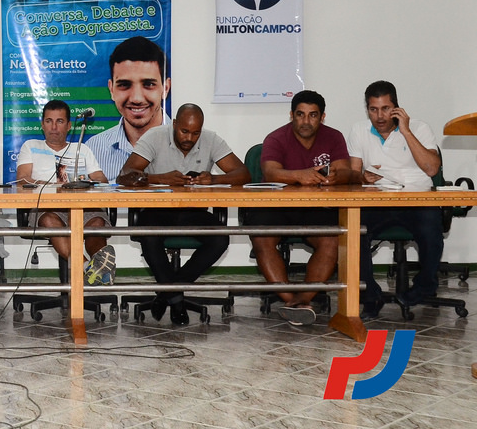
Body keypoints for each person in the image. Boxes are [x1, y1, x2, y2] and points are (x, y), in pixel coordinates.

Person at [118, 103, 251, 324]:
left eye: (195, 133)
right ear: (175, 124)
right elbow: (125, 174)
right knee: (149, 235)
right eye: (184, 131)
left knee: (220, 240)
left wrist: (214, 179)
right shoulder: (155, 136)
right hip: (156, 210)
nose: (190, 137)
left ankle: (167, 294)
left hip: (193, 211)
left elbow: (244, 174)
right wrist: (160, 178)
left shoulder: (211, 139)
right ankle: (177, 301)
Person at [246, 90, 356, 326]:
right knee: (261, 236)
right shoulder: (276, 137)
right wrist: (300, 176)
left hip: (317, 206)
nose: (306, 121)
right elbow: (271, 172)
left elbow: (345, 170)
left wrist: (337, 176)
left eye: (313, 115)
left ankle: (303, 301)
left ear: (322, 117)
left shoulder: (334, 137)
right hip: (277, 206)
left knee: (333, 239)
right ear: (291, 115)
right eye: (300, 115)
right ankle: (290, 300)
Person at [348, 80, 443, 319]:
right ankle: (371, 295)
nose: (379, 116)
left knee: (431, 228)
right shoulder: (359, 130)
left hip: (417, 201)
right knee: (354, 231)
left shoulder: (419, 128)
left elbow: (431, 169)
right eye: (373, 109)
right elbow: (351, 176)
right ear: (367, 109)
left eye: (385, 109)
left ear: (397, 108)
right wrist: (362, 178)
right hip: (377, 201)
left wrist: (406, 130)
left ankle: (424, 286)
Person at [16, 100, 115, 285]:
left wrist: (85, 182)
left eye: (59, 121)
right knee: (49, 220)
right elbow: (23, 179)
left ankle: (99, 266)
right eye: (48, 121)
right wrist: (55, 186)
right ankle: (89, 268)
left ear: (69, 125)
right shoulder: (30, 146)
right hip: (46, 207)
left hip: (83, 206)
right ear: (42, 124)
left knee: (97, 223)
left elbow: (102, 180)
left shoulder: (81, 149)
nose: (53, 127)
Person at [86, 36, 170, 181]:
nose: (136, 98)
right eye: (124, 84)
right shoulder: (93, 149)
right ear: (111, 89)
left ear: (165, 88)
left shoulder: (193, 145)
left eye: (148, 84)